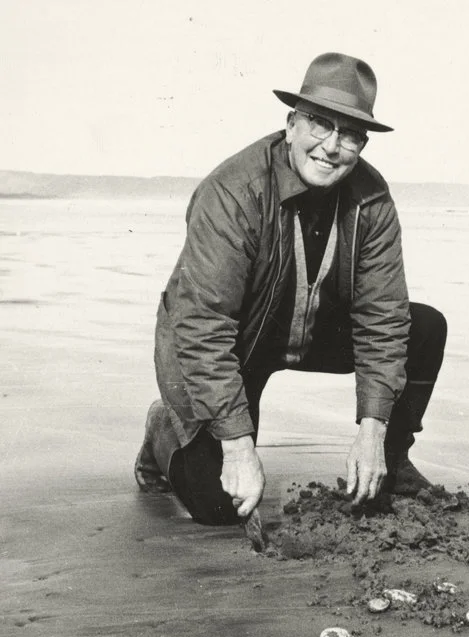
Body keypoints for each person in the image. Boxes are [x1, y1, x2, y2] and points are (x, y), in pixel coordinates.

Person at [134, 53, 447, 546]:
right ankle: (162, 429)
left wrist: (374, 431)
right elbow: (202, 329)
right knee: (220, 507)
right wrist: (238, 450)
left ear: (362, 144)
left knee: (424, 326)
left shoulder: (373, 199)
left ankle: (395, 459)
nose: (331, 146)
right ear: (291, 123)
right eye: (320, 124)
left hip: (311, 330)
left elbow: (382, 318)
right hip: (230, 347)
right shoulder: (233, 191)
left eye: (349, 134)